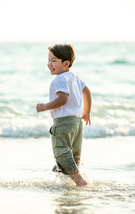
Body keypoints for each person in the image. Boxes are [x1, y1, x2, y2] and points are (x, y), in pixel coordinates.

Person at [36, 43, 92, 187]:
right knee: (73, 154)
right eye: (49, 60)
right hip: (76, 122)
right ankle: (65, 180)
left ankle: (79, 181)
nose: (49, 64)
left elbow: (63, 98)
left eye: (54, 60)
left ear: (66, 63)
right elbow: (87, 92)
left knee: (61, 150)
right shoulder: (75, 77)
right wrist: (86, 111)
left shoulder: (60, 79)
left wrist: (45, 107)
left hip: (63, 122)